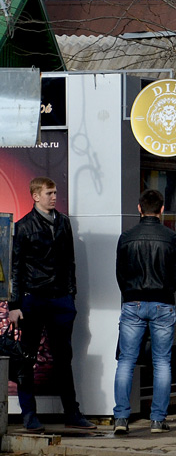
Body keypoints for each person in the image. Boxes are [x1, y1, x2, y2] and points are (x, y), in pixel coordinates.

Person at [8, 177, 96, 432]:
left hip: (59, 299)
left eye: (55, 192)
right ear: (35, 196)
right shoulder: (23, 226)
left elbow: (70, 261)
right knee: (27, 358)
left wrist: (71, 296)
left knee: (63, 358)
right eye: (49, 193)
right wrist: (14, 304)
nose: (54, 197)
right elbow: (15, 268)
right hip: (33, 299)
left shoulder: (63, 222)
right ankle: (29, 415)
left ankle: (72, 412)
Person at [113, 189, 176, 435]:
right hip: (163, 302)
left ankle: (121, 418)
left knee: (126, 361)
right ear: (162, 210)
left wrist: (131, 294)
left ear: (139, 208)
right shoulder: (171, 238)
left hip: (133, 302)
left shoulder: (127, 237)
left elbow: (120, 274)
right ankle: (157, 420)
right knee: (162, 362)